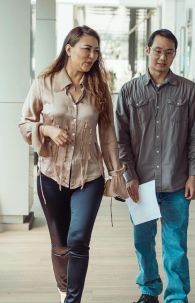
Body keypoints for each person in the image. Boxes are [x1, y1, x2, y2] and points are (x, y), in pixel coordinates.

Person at [19, 25, 128, 303]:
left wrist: (115, 174)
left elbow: (107, 135)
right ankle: (64, 287)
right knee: (61, 246)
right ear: (69, 49)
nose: (92, 55)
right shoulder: (44, 82)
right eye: (86, 48)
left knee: (78, 240)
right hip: (50, 176)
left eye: (96, 50)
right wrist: (46, 130)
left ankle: (72, 300)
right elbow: (25, 124)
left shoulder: (99, 87)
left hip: (88, 177)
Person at [115, 29, 195, 303]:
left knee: (175, 246)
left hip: (177, 182)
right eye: (158, 50)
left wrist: (193, 175)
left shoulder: (188, 90)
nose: (162, 57)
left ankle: (177, 297)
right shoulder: (129, 90)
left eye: (169, 52)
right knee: (142, 243)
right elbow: (121, 139)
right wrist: (129, 175)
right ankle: (149, 290)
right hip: (140, 183)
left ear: (175, 55)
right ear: (147, 50)